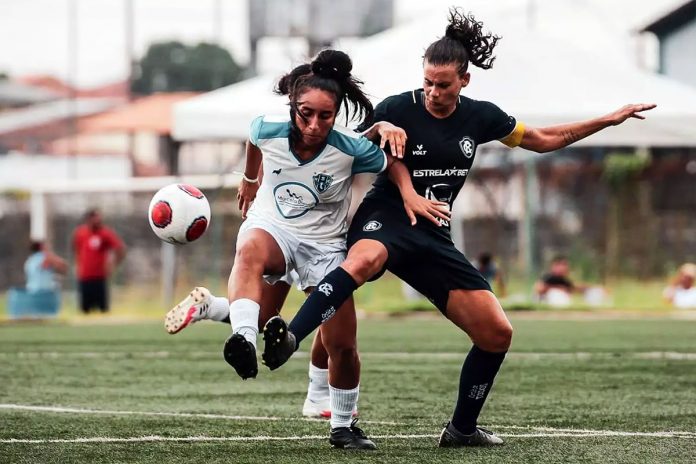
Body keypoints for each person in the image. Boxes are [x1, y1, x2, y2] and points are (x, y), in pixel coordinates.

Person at [260, 8, 655, 448]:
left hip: (431, 233)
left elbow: (543, 141)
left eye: (442, 84)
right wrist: (406, 188)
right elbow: (369, 149)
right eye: (427, 81)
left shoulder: (481, 117)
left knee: (496, 333)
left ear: (464, 80)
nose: (432, 91)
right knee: (364, 259)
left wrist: (608, 119)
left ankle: (462, 429)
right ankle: (291, 337)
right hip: (387, 217)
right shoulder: (398, 107)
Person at [163, 49, 446, 450]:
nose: (313, 125)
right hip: (274, 229)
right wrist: (248, 178)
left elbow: (389, 162)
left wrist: (402, 176)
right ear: (292, 105)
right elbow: (252, 139)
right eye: (304, 113)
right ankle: (243, 341)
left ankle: (343, 426)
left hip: (326, 248)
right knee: (249, 252)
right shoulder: (268, 129)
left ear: (337, 113)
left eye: (325, 116)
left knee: (342, 345)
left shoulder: (352, 149)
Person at [72, 209, 126, 313]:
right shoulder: (80, 233)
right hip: (84, 277)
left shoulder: (105, 233)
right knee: (84, 310)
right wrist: (78, 265)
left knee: (103, 310)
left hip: (100, 278)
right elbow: (76, 250)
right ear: (88, 219)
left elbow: (120, 249)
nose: (99, 221)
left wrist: (113, 264)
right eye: (96, 218)